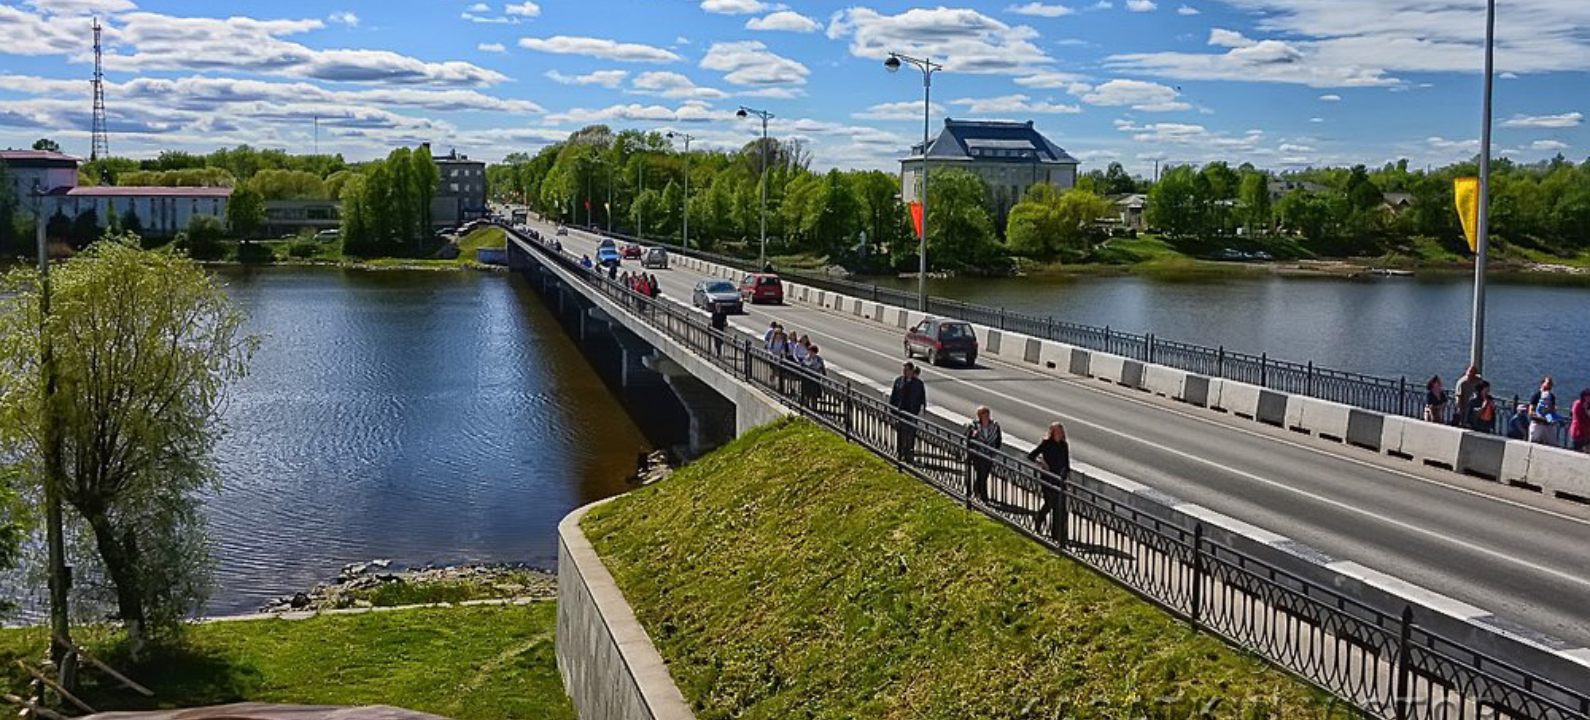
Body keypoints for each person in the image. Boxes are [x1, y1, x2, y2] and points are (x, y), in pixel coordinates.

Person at [1027, 423, 1071, 538]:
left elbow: (1066, 464)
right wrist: (1041, 462)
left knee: (1060, 507)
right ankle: (1038, 520)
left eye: (1061, 431)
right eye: (1058, 431)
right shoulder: (1046, 444)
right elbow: (1031, 455)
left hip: (1060, 479)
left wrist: (1065, 476)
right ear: (1052, 433)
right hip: (1048, 478)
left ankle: (1057, 534)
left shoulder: (1063, 445)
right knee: (1049, 503)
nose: (1060, 434)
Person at [889, 362, 927, 462]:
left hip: (912, 414)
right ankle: (900, 453)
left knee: (910, 436)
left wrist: (920, 411)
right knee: (901, 435)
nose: (904, 372)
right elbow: (893, 397)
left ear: (911, 371)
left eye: (906, 370)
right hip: (900, 413)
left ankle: (909, 454)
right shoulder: (899, 381)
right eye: (904, 370)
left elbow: (922, 399)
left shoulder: (918, 384)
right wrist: (892, 411)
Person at [966, 406, 1003, 502]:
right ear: (979, 416)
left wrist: (994, 451)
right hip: (978, 454)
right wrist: (973, 436)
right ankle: (983, 496)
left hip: (989, 454)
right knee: (981, 474)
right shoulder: (974, 425)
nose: (986, 416)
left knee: (984, 475)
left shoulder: (995, 425)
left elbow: (998, 439)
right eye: (983, 414)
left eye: (987, 414)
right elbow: (968, 439)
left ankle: (977, 490)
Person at [1528, 376, 1559, 444]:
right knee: (1533, 443)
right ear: (1542, 383)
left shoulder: (1552, 397)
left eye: (1551, 384)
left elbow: (1552, 410)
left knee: (1553, 443)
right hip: (1537, 424)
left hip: (1547, 425)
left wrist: (1552, 417)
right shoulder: (1536, 395)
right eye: (1548, 383)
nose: (1550, 386)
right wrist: (1540, 417)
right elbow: (1531, 411)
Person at [1571, 388, 1590, 452]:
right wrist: (1585, 409)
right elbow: (1577, 416)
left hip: (1587, 432)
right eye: (1587, 396)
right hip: (1578, 431)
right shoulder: (1578, 404)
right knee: (1577, 450)